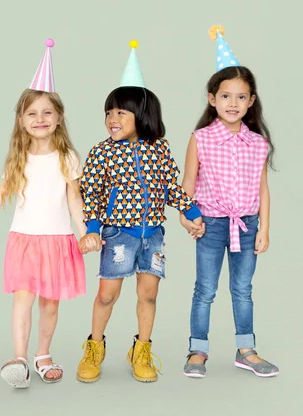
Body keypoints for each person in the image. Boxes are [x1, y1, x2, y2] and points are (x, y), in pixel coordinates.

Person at [0, 40, 86, 388]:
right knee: (22, 302)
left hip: (59, 240)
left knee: (50, 305)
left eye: (47, 112)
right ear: (21, 119)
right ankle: (18, 357)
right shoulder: (18, 158)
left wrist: (85, 230)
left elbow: (74, 200)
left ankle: (42, 354)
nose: (40, 119)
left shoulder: (68, 157)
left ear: (59, 117)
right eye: (32, 113)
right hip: (25, 240)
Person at [77, 41, 203, 384]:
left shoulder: (159, 148)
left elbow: (171, 186)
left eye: (120, 112)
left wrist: (191, 209)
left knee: (148, 294)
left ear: (142, 115)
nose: (112, 119)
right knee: (107, 295)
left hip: (153, 235)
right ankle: (95, 347)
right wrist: (92, 226)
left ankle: (141, 350)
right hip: (118, 234)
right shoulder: (101, 152)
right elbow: (91, 193)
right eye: (109, 112)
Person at [181, 26, 278, 378]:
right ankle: (198, 350)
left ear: (251, 101)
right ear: (212, 99)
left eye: (241, 97)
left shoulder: (258, 143)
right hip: (211, 223)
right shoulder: (201, 139)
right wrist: (187, 216)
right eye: (225, 96)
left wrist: (264, 228)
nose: (233, 103)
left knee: (242, 288)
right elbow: (187, 183)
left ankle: (246, 349)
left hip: (247, 225)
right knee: (205, 288)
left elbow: (262, 189)